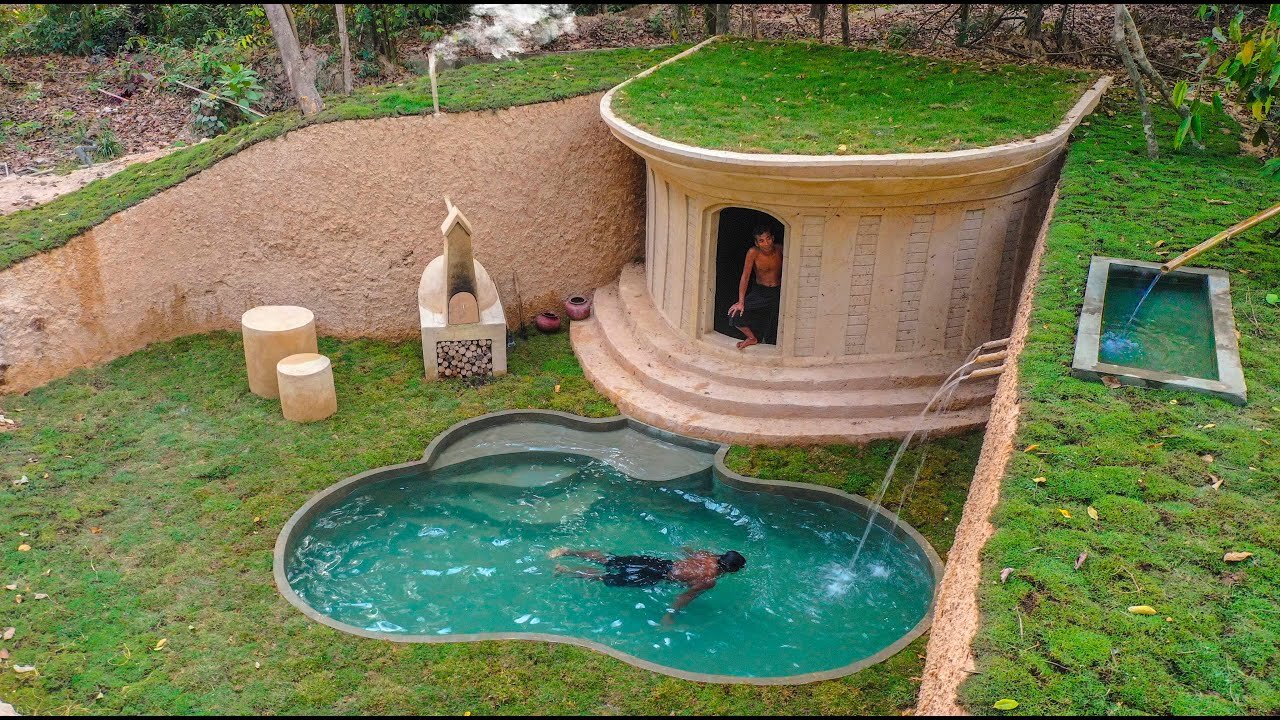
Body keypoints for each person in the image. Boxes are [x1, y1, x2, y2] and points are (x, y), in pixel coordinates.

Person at [550, 547, 747, 624]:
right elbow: (685, 597)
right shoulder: (709, 581)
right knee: (605, 577)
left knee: (609, 560)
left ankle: (567, 551)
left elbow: (685, 549)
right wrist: (670, 614)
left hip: (657, 563)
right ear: (731, 570)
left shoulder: (706, 556)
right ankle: (565, 571)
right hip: (655, 576)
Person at [728, 224, 782, 349]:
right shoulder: (753, 252)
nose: (766, 243)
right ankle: (752, 338)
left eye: (768, 239)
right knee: (735, 315)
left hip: (779, 291)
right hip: (760, 292)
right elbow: (745, 276)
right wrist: (741, 302)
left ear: (773, 238)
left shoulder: (780, 249)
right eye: (761, 241)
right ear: (757, 243)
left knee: (775, 324)